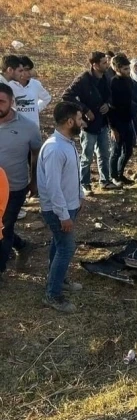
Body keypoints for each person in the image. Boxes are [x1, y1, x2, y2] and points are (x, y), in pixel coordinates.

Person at [36, 102, 85, 313]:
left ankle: (58, 278)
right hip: (58, 210)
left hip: (69, 206)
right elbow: (53, 187)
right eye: (80, 118)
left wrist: (80, 194)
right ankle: (52, 294)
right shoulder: (55, 148)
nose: (83, 122)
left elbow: (71, 174)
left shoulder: (67, 142)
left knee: (58, 245)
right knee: (66, 248)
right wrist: (63, 215)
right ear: (70, 121)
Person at [0, 83, 42, 284]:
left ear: (12, 102)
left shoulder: (28, 127)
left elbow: (36, 154)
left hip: (14, 188)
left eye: (1, 101)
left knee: (5, 228)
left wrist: (34, 181)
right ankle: (22, 245)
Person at [61, 51, 117, 193]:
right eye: (104, 63)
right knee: (87, 156)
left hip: (103, 123)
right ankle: (84, 184)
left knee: (104, 153)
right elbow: (67, 96)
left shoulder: (106, 78)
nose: (107, 65)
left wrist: (108, 105)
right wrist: (84, 110)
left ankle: (105, 180)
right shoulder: (83, 79)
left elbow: (111, 96)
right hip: (88, 125)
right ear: (94, 64)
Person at [108, 55, 136, 187]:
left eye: (128, 68)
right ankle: (113, 176)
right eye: (125, 69)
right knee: (116, 150)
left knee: (128, 150)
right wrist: (112, 127)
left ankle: (120, 173)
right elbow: (110, 107)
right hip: (116, 122)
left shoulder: (129, 81)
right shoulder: (113, 83)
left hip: (127, 120)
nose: (128, 71)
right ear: (117, 68)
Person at [9, 56, 53, 128]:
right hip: (15, 127)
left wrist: (37, 108)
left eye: (30, 69)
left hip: (33, 126)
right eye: (26, 70)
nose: (29, 73)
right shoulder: (10, 85)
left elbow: (46, 98)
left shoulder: (35, 84)